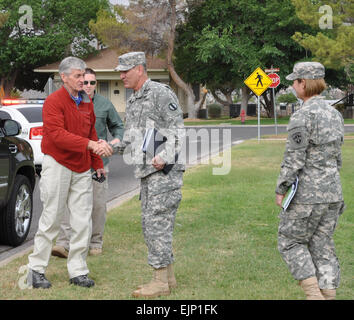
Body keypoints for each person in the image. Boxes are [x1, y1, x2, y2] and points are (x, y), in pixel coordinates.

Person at [27, 57, 113, 289]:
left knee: (82, 221)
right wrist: (90, 146)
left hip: (82, 166)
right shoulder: (54, 101)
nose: (83, 80)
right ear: (63, 77)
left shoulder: (87, 102)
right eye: (77, 76)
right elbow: (56, 135)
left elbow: (92, 133)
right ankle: (35, 270)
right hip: (58, 163)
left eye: (83, 75)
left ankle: (78, 271)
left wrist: (97, 164)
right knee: (52, 218)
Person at [115, 52, 185, 298]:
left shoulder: (160, 93)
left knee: (157, 225)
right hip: (146, 173)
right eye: (120, 71)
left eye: (125, 71)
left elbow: (177, 131)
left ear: (140, 69)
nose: (121, 75)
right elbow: (131, 139)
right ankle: (169, 277)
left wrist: (164, 156)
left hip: (163, 174)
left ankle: (159, 282)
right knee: (153, 225)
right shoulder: (134, 99)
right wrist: (110, 145)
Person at [275, 61, 345, 300]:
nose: (293, 86)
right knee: (322, 244)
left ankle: (313, 294)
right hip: (333, 193)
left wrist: (281, 188)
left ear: (303, 83)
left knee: (290, 241)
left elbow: (294, 159)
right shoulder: (335, 114)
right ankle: (329, 294)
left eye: (294, 81)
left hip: (307, 194)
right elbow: (338, 156)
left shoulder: (302, 116)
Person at [52, 68, 124, 258]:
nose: (88, 86)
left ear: (96, 84)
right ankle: (63, 243)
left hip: (97, 162)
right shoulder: (70, 102)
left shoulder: (104, 104)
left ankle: (95, 242)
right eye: (85, 82)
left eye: (92, 82)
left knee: (97, 203)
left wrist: (115, 142)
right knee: (68, 203)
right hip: (72, 160)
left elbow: (118, 126)